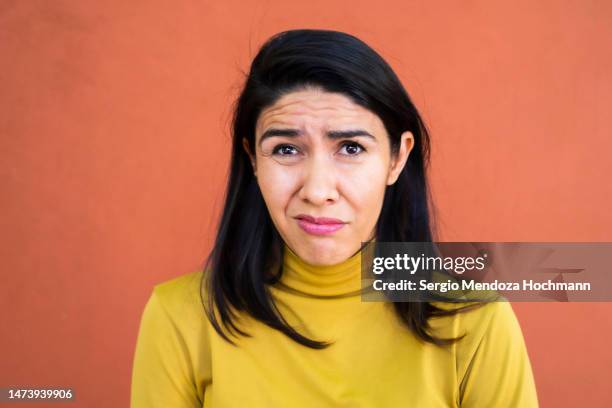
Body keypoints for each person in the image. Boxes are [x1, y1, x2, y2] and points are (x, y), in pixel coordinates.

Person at [130, 29, 538, 407]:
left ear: (398, 157)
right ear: (253, 158)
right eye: (287, 149)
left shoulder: (475, 320)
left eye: (351, 148)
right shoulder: (179, 317)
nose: (318, 190)